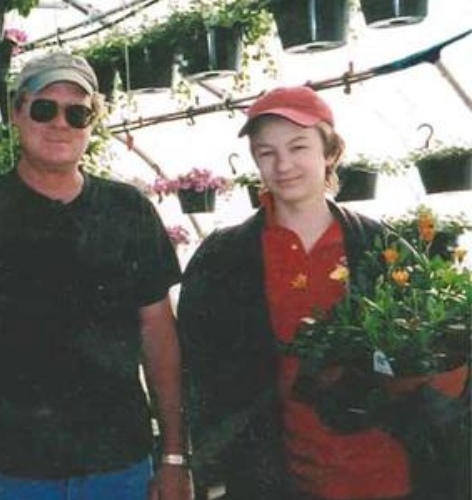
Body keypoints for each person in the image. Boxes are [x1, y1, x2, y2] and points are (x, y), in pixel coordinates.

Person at [0, 52, 192, 500]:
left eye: (77, 112)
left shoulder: (128, 210)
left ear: (92, 122)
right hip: (12, 470)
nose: (60, 123)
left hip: (120, 467)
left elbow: (159, 334)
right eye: (43, 108)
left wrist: (173, 457)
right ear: (17, 112)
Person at [178, 86, 470, 500]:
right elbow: (199, 371)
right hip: (282, 483)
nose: (283, 165)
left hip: (392, 478)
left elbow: (433, 357)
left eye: (298, 147)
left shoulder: (381, 247)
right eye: (266, 152)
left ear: (329, 152)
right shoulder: (225, 257)